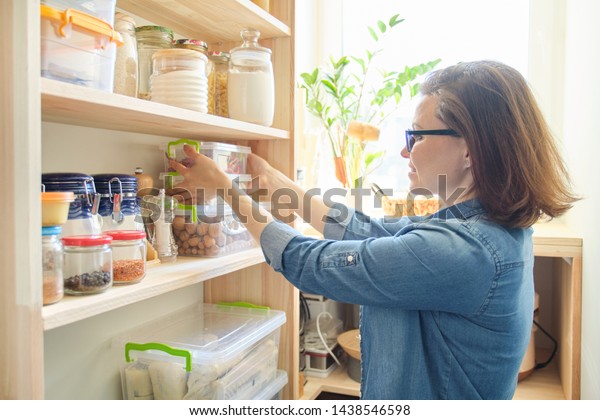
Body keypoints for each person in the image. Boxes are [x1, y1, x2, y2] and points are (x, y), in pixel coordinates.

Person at [168, 60, 578, 399]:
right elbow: (369, 231)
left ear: (470, 148)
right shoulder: (479, 227)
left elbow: (312, 263)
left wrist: (226, 191)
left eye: (415, 136)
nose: (404, 150)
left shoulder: (464, 251)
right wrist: (277, 184)